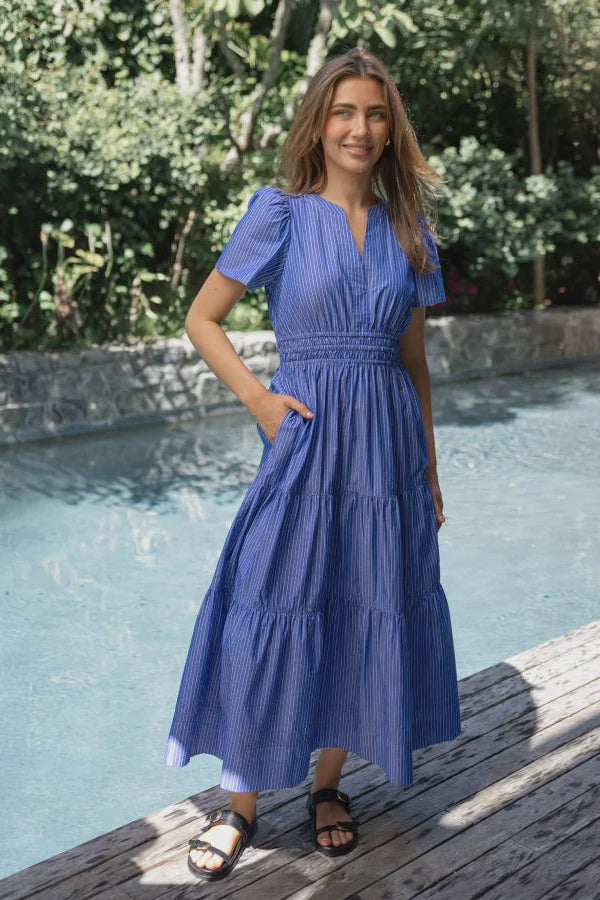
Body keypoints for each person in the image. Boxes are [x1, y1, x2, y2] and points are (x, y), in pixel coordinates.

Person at [163, 46, 462, 881]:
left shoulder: (411, 231)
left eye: (373, 113)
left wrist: (430, 469)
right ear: (319, 124)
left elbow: (414, 365)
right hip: (304, 439)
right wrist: (260, 402)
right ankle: (245, 801)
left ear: (389, 128)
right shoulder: (280, 214)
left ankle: (328, 788)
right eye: (344, 112)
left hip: (389, 452)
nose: (359, 128)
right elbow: (203, 319)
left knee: (365, 608)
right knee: (273, 603)